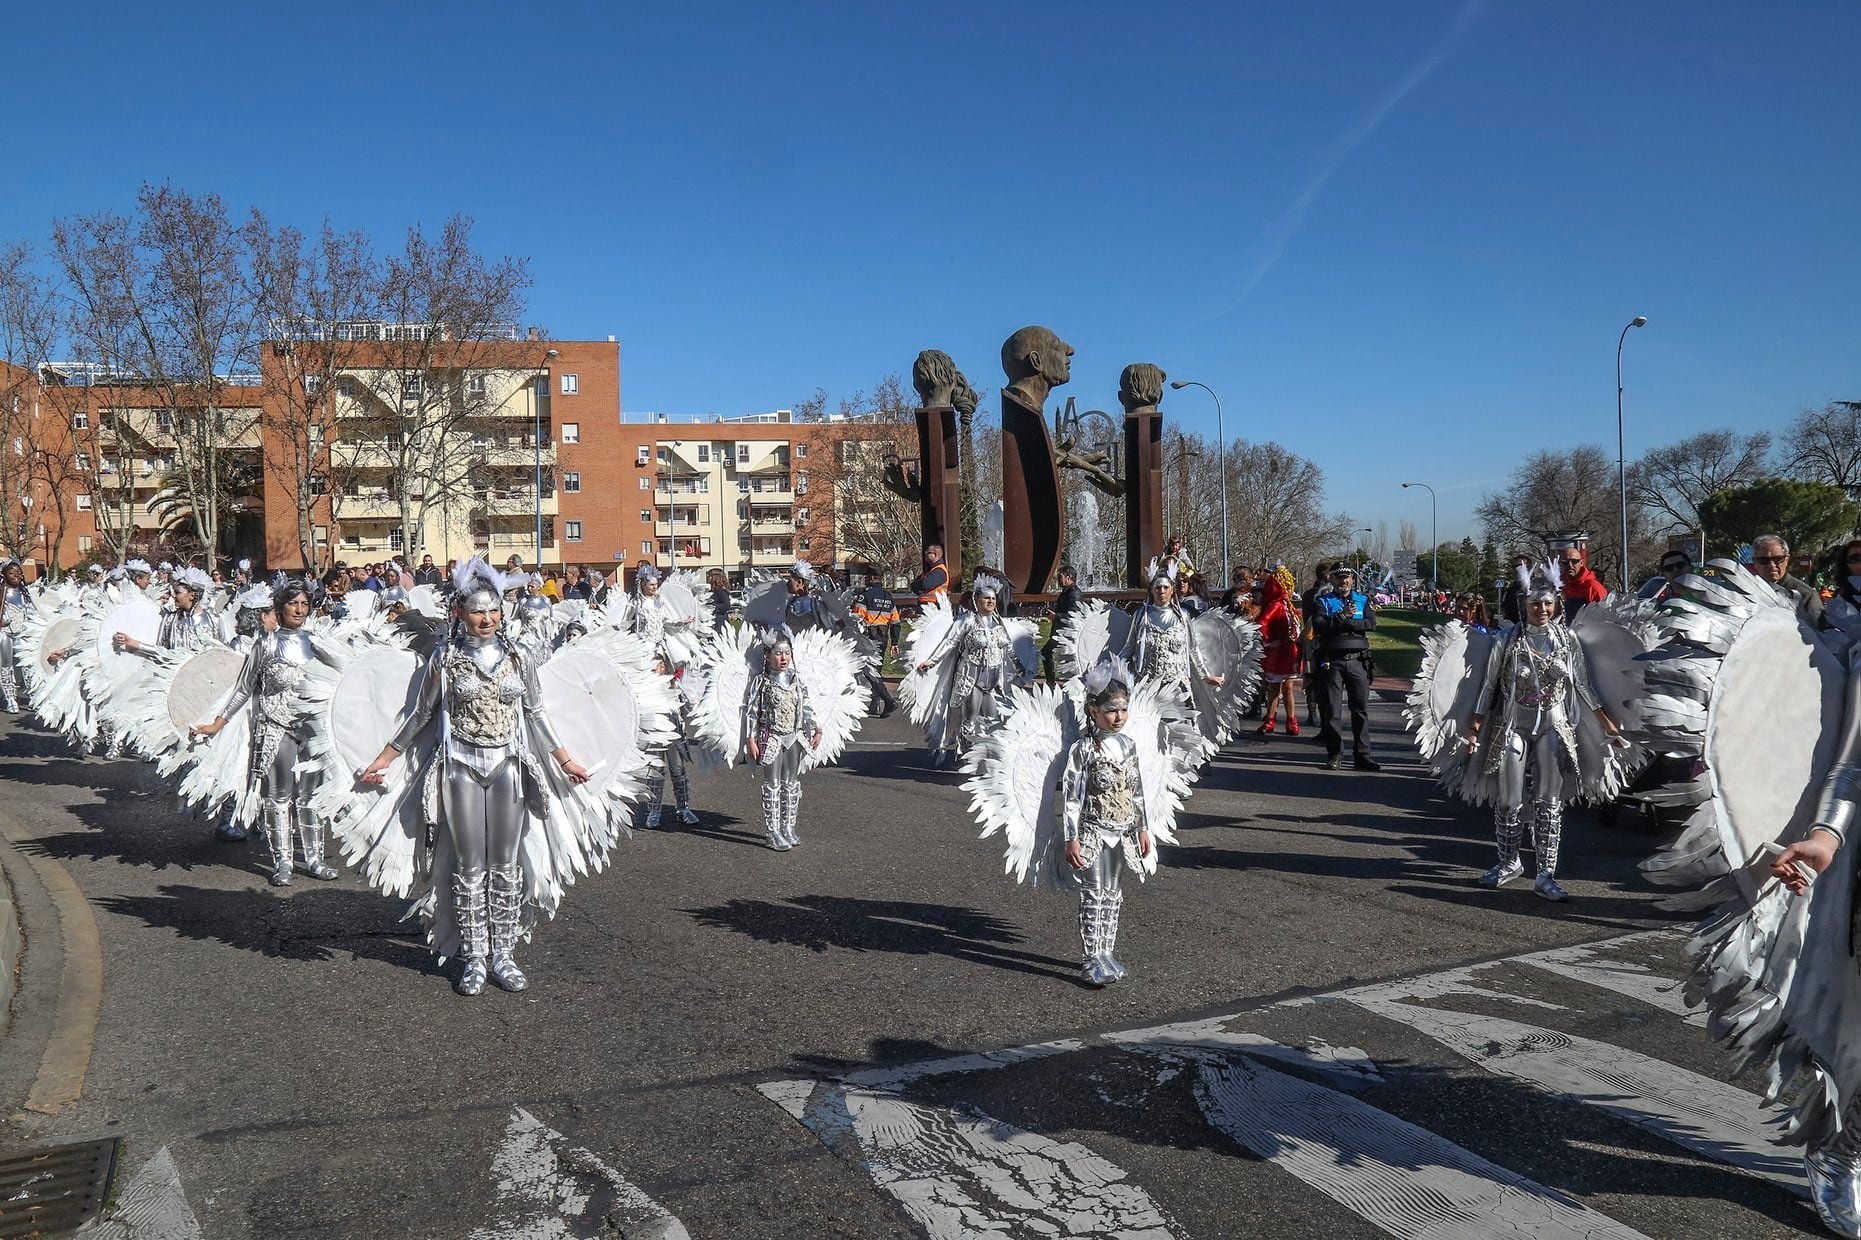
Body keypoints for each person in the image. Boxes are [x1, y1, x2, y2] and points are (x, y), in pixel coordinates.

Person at [358, 560, 592, 995]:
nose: (487, 619)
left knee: (505, 864)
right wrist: (386, 757)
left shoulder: (519, 658)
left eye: (494, 611)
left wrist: (565, 760)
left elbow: (536, 714)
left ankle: (503, 953)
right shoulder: (445, 659)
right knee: (469, 866)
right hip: (461, 767)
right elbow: (421, 715)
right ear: (460, 614)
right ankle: (474, 958)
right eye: (477, 611)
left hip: (508, 767)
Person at [1462, 577, 1627, 902]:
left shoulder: (1566, 640)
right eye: (1536, 603)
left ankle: (1546, 875)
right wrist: (1475, 726)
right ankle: (1509, 862)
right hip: (1513, 724)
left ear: (1556, 605)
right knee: (1509, 798)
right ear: (1524, 604)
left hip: (1553, 725)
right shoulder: (1508, 640)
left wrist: (1607, 723)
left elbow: (1583, 685)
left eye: (1548, 603)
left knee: (1549, 802)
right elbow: (1488, 686)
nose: (1542, 609)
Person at [189, 582, 346, 887]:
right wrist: (218, 722)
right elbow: (243, 689)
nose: (299, 609)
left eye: (304, 603)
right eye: (293, 604)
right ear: (280, 608)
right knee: (278, 796)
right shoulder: (266, 644)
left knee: (311, 797)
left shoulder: (318, 643)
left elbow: (338, 683)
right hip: (275, 727)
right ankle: (283, 861)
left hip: (312, 729)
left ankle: (314, 859)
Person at [1060, 659, 1154, 987]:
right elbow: (1072, 797)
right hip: (1094, 831)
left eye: (1124, 710)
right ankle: (1091, 957)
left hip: (1122, 830)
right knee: (1094, 893)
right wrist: (1071, 837)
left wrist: (1142, 828)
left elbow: (1136, 789)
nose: (1118, 718)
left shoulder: (1128, 746)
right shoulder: (1083, 749)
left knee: (1114, 893)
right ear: (1093, 710)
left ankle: (1107, 952)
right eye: (1111, 710)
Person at [915, 575, 1033, 768]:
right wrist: (932, 661)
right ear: (976, 601)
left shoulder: (998, 623)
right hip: (971, 677)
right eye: (987, 598)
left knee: (993, 719)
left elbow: (1008, 648)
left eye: (993, 598)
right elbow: (950, 643)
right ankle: (965, 755)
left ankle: (991, 757)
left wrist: (1021, 669)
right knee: (969, 719)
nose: (991, 601)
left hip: (994, 679)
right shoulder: (967, 620)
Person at [742, 627, 821, 851]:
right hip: (771, 737)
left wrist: (817, 728)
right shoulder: (762, 682)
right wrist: (750, 738)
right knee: (773, 784)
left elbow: (806, 707)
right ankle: (772, 831)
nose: (783, 658)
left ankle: (788, 826)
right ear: (767, 656)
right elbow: (751, 712)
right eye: (778, 653)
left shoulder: (797, 681)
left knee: (792, 783)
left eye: (787, 653)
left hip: (794, 737)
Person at [1312, 564, 1379, 771]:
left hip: (1358, 660)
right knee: (1333, 710)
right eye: (1339, 578)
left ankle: (1363, 755)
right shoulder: (1323, 601)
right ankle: (1335, 754)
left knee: (1360, 710)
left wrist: (1348, 623)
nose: (1344, 581)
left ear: (1352, 579)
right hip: (1333, 661)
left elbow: (1371, 623)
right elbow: (1319, 625)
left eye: (1347, 577)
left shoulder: (1362, 600)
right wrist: (1341, 617)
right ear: (1332, 580)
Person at [1255, 574, 1301, 736]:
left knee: (1288, 687)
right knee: (1274, 688)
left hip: (1289, 652)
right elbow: (1261, 623)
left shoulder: (1285, 605)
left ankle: (1291, 720)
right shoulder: (1276, 605)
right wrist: (1268, 642)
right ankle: (1270, 719)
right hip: (1278, 653)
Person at [1750, 533, 1825, 626]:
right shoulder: (1747, 591)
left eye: (1778, 559)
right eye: (1764, 560)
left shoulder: (1806, 595)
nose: (1772, 565)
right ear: (1755, 562)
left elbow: (1819, 633)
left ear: (1787, 560)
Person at [850, 582, 900, 717]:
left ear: (870, 578)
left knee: (867, 670)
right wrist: (895, 642)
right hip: (883, 637)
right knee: (876, 670)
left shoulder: (865, 596)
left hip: (868, 637)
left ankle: (886, 701)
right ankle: (875, 703)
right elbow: (895, 621)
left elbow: (857, 617)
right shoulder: (888, 597)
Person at [0, 559, 37, 712]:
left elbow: (32, 610)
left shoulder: (25, 593)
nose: (16, 575)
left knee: (27, 665)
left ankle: (31, 696)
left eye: (18, 572)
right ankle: (10, 698)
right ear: (4, 575)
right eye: (11, 572)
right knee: (6, 666)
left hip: (22, 631)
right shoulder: (1, 591)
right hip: (5, 633)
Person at [1041, 565, 1082, 683]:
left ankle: (1053, 682)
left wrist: (1056, 616)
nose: (1058, 579)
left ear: (1069, 577)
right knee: (1049, 653)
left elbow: (1074, 615)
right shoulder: (1068, 592)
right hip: (1061, 632)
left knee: (1050, 653)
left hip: (1067, 633)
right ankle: (1052, 681)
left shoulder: (1074, 593)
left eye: (1060, 577)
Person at [1555, 543, 1608, 620]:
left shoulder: (1593, 587)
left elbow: (1604, 616)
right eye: (1565, 562)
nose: (1570, 565)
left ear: (1581, 563)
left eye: (1574, 561)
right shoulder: (1558, 585)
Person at [910, 544, 950, 611]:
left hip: (934, 608)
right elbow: (914, 585)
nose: (925, 554)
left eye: (928, 553)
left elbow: (925, 584)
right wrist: (917, 585)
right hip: (925, 606)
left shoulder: (940, 571)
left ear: (936, 554)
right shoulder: (930, 570)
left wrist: (918, 585)